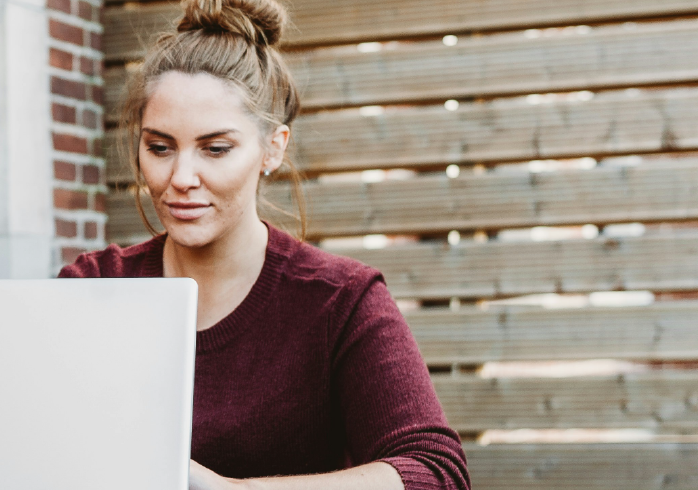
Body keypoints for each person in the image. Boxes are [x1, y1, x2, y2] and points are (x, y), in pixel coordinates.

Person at [57, 0, 470, 488]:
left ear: (273, 147)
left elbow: (436, 471)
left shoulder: (341, 300)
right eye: (160, 148)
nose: (181, 177)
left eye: (215, 149)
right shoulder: (95, 286)